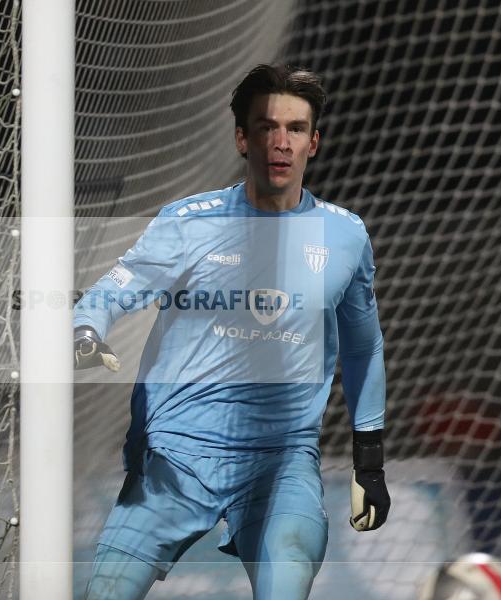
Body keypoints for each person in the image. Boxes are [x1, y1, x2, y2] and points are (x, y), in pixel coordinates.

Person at [74, 64, 390, 600]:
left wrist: (370, 460)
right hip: (174, 460)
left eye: (295, 128)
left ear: (314, 142)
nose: (280, 141)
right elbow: (112, 291)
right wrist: (86, 329)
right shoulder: (188, 222)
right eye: (267, 126)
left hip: (281, 462)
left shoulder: (344, 234)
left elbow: (363, 345)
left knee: (288, 566)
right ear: (243, 138)